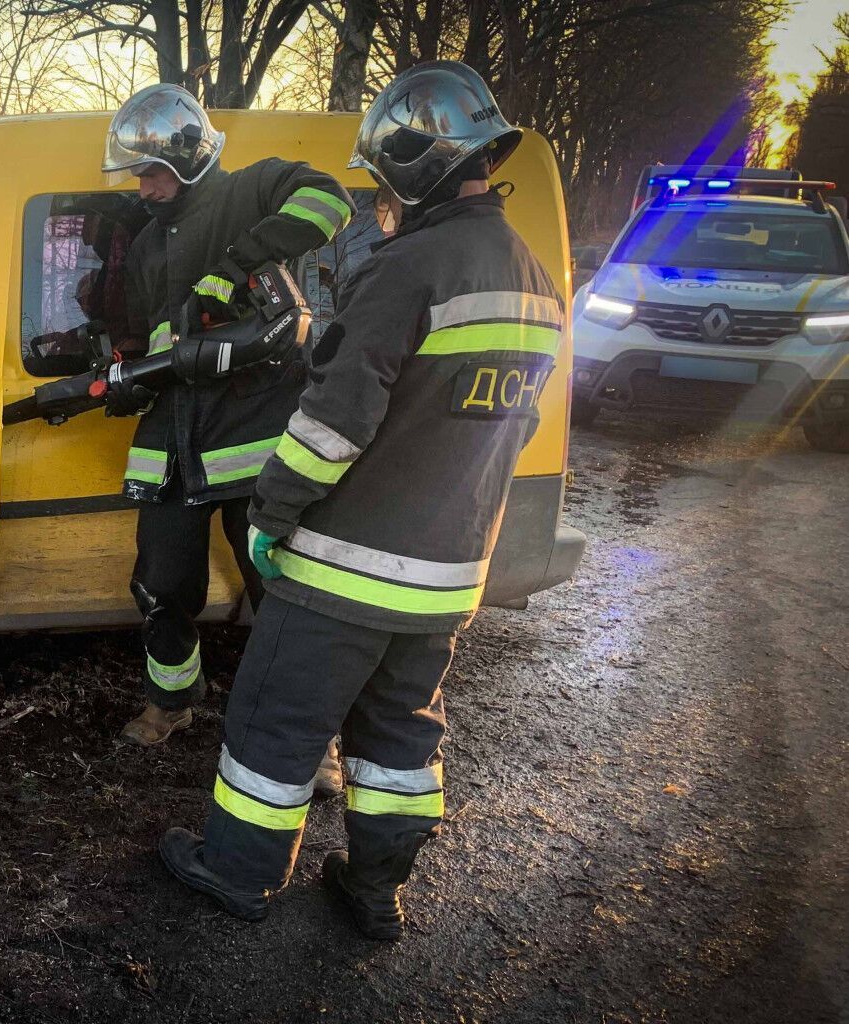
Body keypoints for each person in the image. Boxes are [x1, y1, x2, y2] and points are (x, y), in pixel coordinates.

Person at [156, 61, 563, 940]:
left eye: (382, 182)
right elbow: (509, 430)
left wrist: (271, 513)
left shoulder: (408, 267)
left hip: (345, 573)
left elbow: (331, 424)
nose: (381, 199)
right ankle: (375, 891)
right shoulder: (536, 278)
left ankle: (235, 874)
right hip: (449, 577)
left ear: (412, 169)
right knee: (399, 744)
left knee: (275, 722)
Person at [97, 85, 354, 761]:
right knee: (159, 587)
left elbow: (330, 202)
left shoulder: (255, 188)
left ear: (185, 157)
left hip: (254, 446)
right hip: (173, 447)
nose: (143, 189)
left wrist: (235, 268)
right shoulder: (151, 244)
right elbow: (160, 332)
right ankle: (173, 702)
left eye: (150, 173)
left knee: (281, 595)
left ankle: (310, 740)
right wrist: (131, 376)